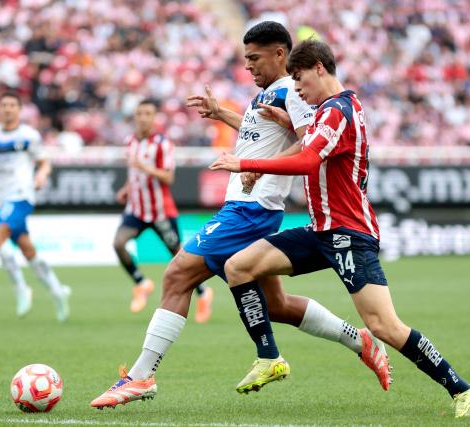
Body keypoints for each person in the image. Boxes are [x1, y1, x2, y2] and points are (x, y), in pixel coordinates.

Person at [90, 22, 390, 410]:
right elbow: (265, 133)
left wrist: (260, 165)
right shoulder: (269, 94)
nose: (247, 66)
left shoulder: (293, 91)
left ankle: (141, 375)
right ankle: (360, 340)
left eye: (254, 58)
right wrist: (223, 115)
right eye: (244, 58)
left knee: (178, 274)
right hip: (250, 208)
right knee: (277, 305)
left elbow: (307, 143)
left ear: (279, 54)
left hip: (250, 209)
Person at [210, 39, 470, 418]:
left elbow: (308, 160)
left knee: (384, 325)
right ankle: (269, 357)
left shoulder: (338, 111)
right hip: (321, 229)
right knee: (238, 267)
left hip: (348, 233)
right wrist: (286, 122)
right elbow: (312, 145)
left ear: (319, 68)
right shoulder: (331, 110)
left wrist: (245, 164)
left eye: (299, 78)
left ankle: (464, 389)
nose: (297, 87)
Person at [0, 91, 70, 322]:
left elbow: (44, 162)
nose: (8, 109)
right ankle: (58, 291)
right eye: (4, 105)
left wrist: (42, 175)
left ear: (19, 110)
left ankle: (22, 289)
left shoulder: (29, 136)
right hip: (0, 199)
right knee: (27, 249)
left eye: (12, 105)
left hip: (21, 195)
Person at [114, 99, 214, 322]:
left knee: (180, 259)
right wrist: (126, 189)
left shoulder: (162, 144)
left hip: (161, 212)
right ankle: (141, 283)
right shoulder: (130, 142)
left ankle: (204, 293)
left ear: (154, 117)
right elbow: (135, 175)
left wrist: (145, 167)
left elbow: (168, 177)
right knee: (118, 244)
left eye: (147, 113)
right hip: (136, 210)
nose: (143, 118)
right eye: (139, 113)